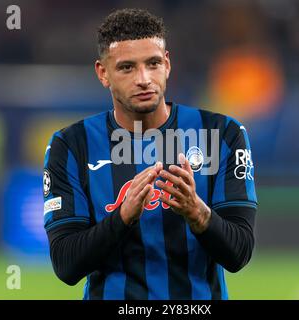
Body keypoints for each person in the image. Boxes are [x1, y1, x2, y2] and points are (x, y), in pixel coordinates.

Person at [43, 8, 257, 300]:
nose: (144, 78)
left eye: (153, 63)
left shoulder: (222, 134)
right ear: (103, 73)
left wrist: (197, 213)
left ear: (167, 65)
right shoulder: (70, 146)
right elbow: (66, 265)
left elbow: (239, 253)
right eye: (127, 67)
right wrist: (122, 217)